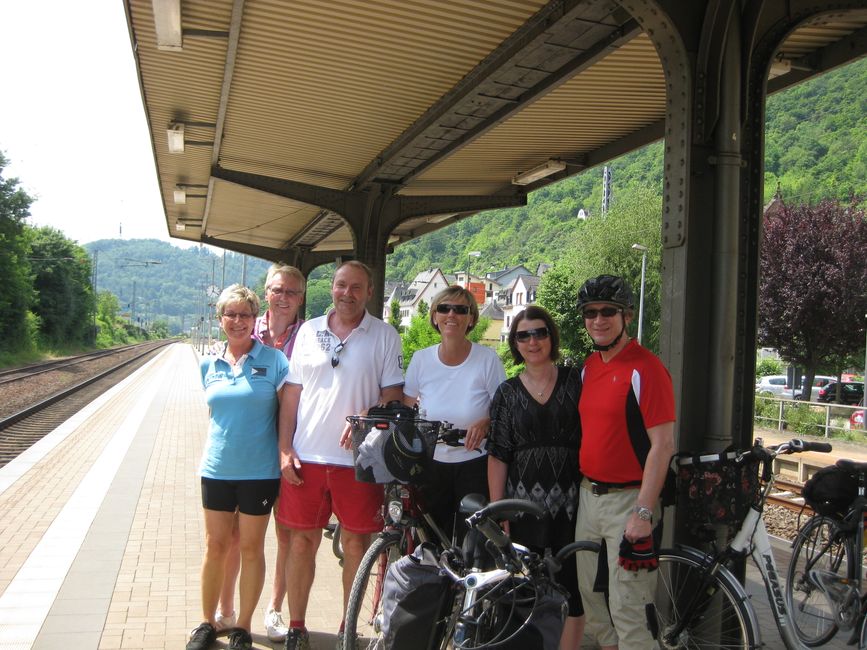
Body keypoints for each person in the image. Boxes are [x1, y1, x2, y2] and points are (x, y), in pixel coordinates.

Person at [276, 261, 404, 650]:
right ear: (331, 288)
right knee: (301, 543)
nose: (346, 293)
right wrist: (284, 448)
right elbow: (292, 395)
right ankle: (297, 627)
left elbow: (394, 394)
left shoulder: (384, 335)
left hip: (359, 461)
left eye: (356, 287)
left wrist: (369, 414)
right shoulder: (309, 331)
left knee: (355, 547)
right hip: (308, 457)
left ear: (368, 292)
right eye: (340, 285)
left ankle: (347, 630)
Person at [573, 275, 675, 649]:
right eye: (590, 312)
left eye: (608, 312)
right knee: (593, 603)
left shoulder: (645, 369)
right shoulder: (589, 367)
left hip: (629, 501)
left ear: (626, 316)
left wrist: (644, 513)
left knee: (629, 606)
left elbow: (662, 446)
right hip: (589, 496)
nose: (598, 320)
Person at [187, 285, 290, 650]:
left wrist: (286, 453)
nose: (237, 321)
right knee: (215, 545)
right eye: (230, 314)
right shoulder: (207, 364)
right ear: (220, 320)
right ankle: (207, 621)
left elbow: (286, 415)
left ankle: (242, 626)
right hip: (216, 468)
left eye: (245, 315)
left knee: (250, 547)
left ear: (255, 319)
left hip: (259, 472)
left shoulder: (275, 361)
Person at [215, 264, 306, 643]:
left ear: (301, 298)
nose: (282, 297)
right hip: (248, 449)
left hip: (292, 448)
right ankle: (225, 609)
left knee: (285, 534)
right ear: (265, 293)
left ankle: (274, 610)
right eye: (276, 290)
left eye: (291, 292)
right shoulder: (247, 327)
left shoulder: (312, 337)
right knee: (235, 536)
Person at [487, 305, 585, 650]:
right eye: (523, 335)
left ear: (551, 337)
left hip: (572, 504)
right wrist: (499, 511)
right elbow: (499, 455)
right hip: (523, 505)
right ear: (515, 342)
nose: (532, 341)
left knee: (573, 590)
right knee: (522, 591)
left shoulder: (576, 381)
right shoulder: (507, 393)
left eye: (540, 332)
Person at [402, 286, 505, 544]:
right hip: (432, 463)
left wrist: (486, 422)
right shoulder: (421, 359)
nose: (452, 315)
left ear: (471, 319)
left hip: (474, 463)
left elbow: (504, 409)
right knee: (434, 542)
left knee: (473, 544)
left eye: (461, 310)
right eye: (444, 308)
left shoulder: (487, 359)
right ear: (435, 316)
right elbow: (407, 408)